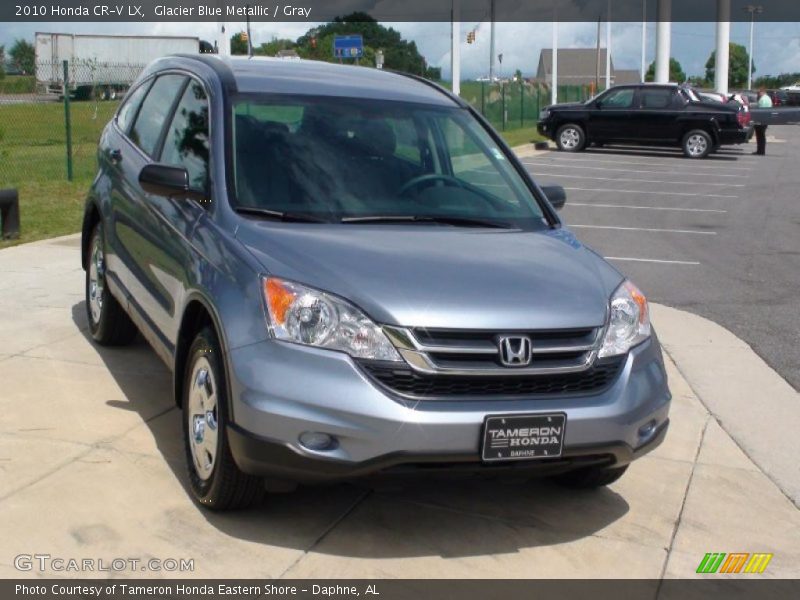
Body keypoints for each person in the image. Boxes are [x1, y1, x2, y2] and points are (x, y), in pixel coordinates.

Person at [753, 88, 773, 156]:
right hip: (766, 119)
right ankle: (761, 150)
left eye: (758, 93)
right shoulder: (768, 98)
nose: (758, 94)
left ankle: (760, 151)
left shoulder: (763, 99)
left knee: (760, 136)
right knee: (761, 135)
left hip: (761, 120)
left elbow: (761, 111)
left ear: (762, 92)